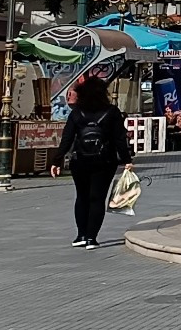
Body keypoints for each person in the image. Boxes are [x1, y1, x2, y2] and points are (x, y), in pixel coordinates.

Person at [49, 77, 132, 249]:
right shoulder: (112, 112)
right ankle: (91, 238)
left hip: (80, 161)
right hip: (105, 161)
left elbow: (67, 139)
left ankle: (80, 234)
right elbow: (119, 139)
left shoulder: (77, 113)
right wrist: (126, 160)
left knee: (82, 197)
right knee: (97, 198)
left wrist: (57, 160)